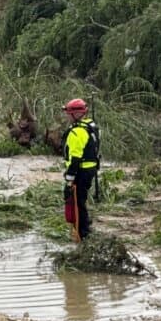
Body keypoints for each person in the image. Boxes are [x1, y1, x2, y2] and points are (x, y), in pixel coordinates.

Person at [62, 98, 100, 239]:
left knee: (78, 204)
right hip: (90, 169)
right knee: (81, 200)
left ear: (76, 114)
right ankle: (85, 226)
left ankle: (83, 233)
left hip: (80, 172)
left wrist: (69, 179)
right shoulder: (91, 126)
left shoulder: (77, 132)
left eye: (69, 113)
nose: (67, 116)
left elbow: (75, 158)